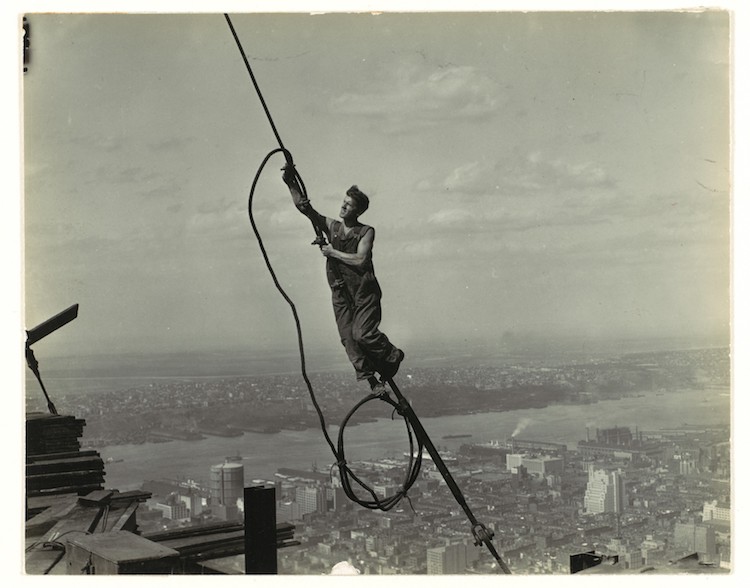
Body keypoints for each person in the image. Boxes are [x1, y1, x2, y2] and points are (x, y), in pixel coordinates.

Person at [283, 167, 404, 394]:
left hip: (363, 292)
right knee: (349, 339)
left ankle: (392, 355)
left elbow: (360, 259)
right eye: (343, 201)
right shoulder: (333, 227)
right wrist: (290, 183)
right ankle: (372, 382)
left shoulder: (366, 231)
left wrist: (332, 253)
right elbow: (306, 209)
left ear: (357, 210)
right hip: (340, 291)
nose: (343, 206)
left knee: (363, 335)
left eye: (349, 204)